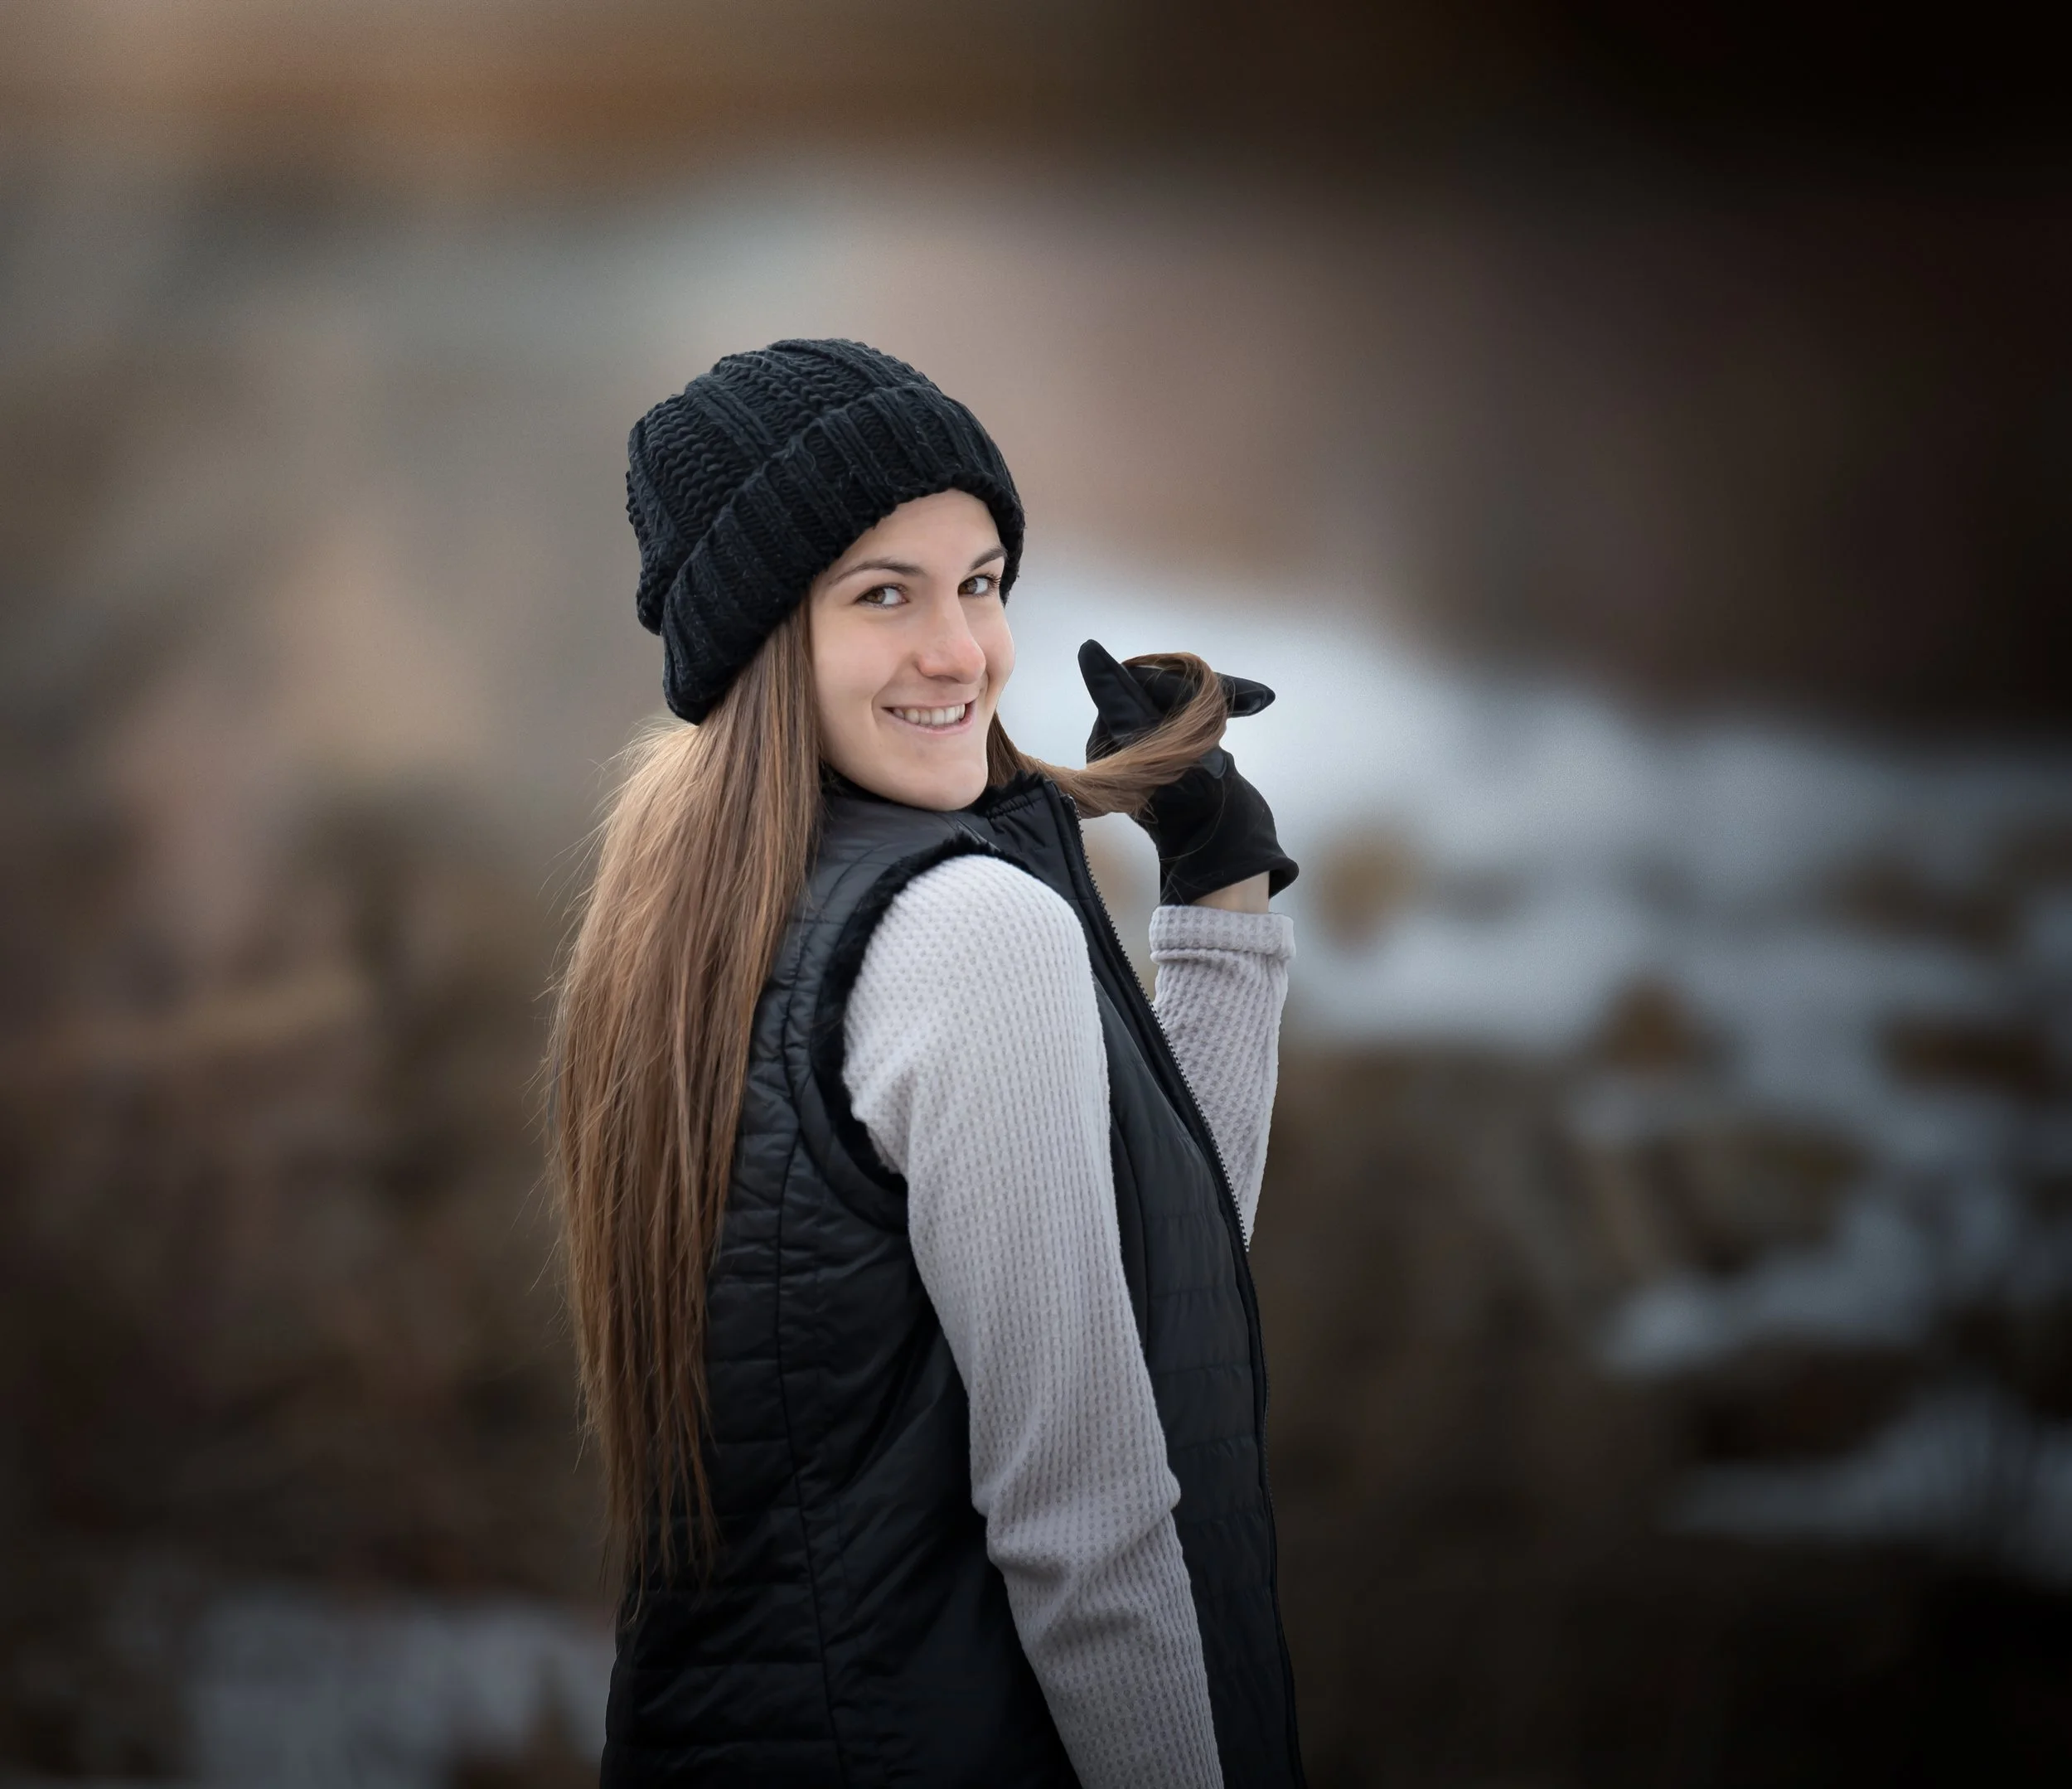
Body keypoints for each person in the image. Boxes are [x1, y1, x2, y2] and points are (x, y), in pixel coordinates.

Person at [552, 339, 1305, 1787]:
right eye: (882, 593)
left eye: (979, 582)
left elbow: (1136, 1297)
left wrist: (1217, 900)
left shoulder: (691, 909)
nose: (963, 651)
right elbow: (1090, 1530)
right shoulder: (967, 930)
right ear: (770, 634)